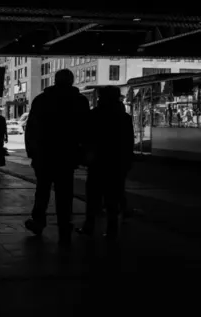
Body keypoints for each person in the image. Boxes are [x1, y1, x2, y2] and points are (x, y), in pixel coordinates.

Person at [24, 69, 90, 245]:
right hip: (67, 155)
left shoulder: (41, 100)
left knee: (42, 190)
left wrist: (32, 151)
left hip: (44, 154)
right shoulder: (79, 101)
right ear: (72, 81)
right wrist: (82, 153)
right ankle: (64, 223)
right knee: (65, 192)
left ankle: (38, 221)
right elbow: (85, 130)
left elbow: (31, 128)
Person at [77, 86, 134, 239]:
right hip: (117, 163)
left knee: (93, 196)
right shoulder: (124, 117)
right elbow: (128, 142)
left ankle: (89, 225)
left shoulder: (94, 115)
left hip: (97, 162)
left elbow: (85, 137)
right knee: (113, 197)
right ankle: (112, 228)